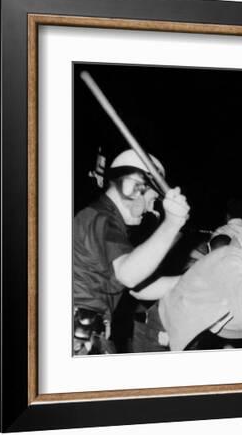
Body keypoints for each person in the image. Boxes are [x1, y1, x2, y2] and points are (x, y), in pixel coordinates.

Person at [72, 149, 190, 355]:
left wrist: (197, 277)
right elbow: (128, 275)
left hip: (86, 335)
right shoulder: (101, 219)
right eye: (153, 200)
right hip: (78, 336)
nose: (150, 210)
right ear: (135, 188)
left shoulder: (108, 222)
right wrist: (172, 224)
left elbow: (140, 288)